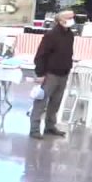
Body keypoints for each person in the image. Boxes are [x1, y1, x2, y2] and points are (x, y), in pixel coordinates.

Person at [31, 10, 76, 140]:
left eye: (72, 17)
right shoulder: (51, 35)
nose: (72, 20)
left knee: (56, 102)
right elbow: (41, 55)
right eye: (69, 18)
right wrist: (40, 73)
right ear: (60, 20)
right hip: (50, 73)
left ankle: (50, 126)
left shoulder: (70, 35)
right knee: (41, 101)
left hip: (64, 72)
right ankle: (34, 129)